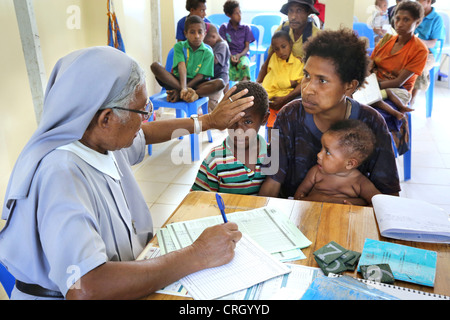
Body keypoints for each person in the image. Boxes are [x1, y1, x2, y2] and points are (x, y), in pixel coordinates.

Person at [0, 46, 255, 300]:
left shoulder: (98, 138)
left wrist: (208, 121)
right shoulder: (60, 174)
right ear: (107, 118)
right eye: (143, 111)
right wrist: (197, 254)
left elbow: (148, 133)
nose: (146, 119)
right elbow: (87, 289)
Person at [258, 28, 400, 200]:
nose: (308, 89)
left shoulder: (371, 122)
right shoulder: (288, 116)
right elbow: (272, 181)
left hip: (350, 221)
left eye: (322, 81)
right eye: (307, 75)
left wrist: (354, 205)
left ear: (349, 86)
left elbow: (389, 196)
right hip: (295, 215)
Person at [191, 81, 269, 195]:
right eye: (233, 119)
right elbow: (198, 200)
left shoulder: (272, 154)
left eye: (247, 122)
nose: (238, 130)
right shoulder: (214, 160)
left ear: (264, 119)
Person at [370, 0, 428, 131]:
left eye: (406, 20)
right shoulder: (386, 40)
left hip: (398, 90)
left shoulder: (419, 50)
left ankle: (383, 148)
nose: (400, 24)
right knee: (350, 106)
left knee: (375, 117)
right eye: (397, 19)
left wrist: (373, 85)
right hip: (374, 83)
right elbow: (370, 63)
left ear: (417, 22)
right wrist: (368, 79)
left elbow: (398, 81)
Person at [294, 119, 381, 206]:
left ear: (349, 164)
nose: (319, 154)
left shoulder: (360, 182)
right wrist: (317, 200)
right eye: (322, 148)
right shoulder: (315, 172)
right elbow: (297, 198)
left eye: (327, 152)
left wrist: (356, 209)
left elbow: (379, 205)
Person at [151, 15, 224, 104]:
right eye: (192, 32)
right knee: (155, 66)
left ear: (204, 33)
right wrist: (183, 87)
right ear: (186, 33)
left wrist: (183, 89)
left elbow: (200, 76)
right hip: (177, 80)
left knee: (220, 83)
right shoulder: (179, 46)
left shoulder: (208, 52)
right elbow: (181, 66)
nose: (197, 36)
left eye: (200, 32)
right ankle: (187, 94)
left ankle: (187, 94)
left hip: (197, 84)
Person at [256, 0, 320, 83]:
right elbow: (269, 59)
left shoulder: (316, 37)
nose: (293, 17)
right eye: (290, 11)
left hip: (301, 85)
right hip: (277, 81)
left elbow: (314, 75)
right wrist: (258, 83)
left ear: (308, 12)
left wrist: (286, 96)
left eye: (299, 10)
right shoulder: (282, 29)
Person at [261, 30, 303, 139]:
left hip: (286, 98)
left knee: (285, 128)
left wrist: (286, 83)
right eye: (276, 49)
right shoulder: (274, 58)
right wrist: (290, 83)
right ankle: (271, 149)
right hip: (271, 97)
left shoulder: (297, 63)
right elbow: (271, 75)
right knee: (272, 126)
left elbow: (297, 81)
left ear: (291, 44)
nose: (280, 52)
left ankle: (284, 149)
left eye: (283, 46)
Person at [411, 0, 446, 105]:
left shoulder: (436, 19)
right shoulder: (413, 15)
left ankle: (411, 99)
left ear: (429, 1)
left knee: (420, 64)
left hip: (428, 53)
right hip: (411, 49)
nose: (416, 1)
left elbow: (433, 44)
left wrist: (418, 41)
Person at [219, 0, 255, 82]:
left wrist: (239, 55)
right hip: (228, 55)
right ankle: (226, 93)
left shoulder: (246, 28)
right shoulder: (224, 28)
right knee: (224, 67)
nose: (239, 15)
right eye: (236, 13)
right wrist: (231, 56)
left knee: (244, 66)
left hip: (242, 55)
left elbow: (247, 48)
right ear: (229, 15)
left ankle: (244, 90)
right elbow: (225, 47)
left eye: (240, 12)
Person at [203, 22, 230, 111]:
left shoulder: (222, 45)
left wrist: (204, 53)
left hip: (221, 78)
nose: (206, 45)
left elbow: (215, 60)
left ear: (214, 36)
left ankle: (215, 118)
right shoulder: (214, 44)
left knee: (212, 101)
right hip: (213, 78)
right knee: (206, 100)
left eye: (207, 42)